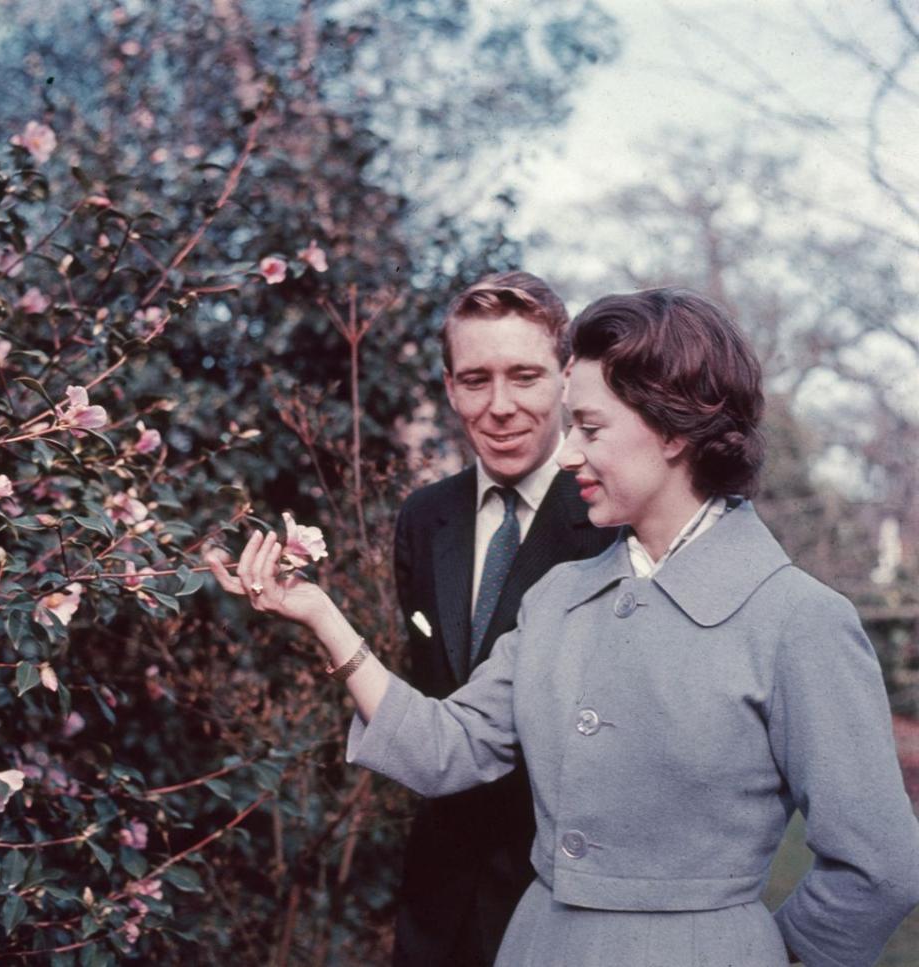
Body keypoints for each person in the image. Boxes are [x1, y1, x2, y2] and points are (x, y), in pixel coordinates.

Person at [208, 287, 919, 967]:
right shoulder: (557, 598)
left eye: (591, 427)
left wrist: (765, 951)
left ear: (673, 429)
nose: (569, 453)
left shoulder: (801, 622)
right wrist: (319, 612)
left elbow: (878, 865)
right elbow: (443, 748)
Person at [390, 272, 616, 965]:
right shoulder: (423, 519)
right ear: (451, 387)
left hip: (563, 904)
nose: (500, 406)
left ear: (567, 377)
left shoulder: (613, 518)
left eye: (524, 376)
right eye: (475, 379)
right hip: (436, 909)